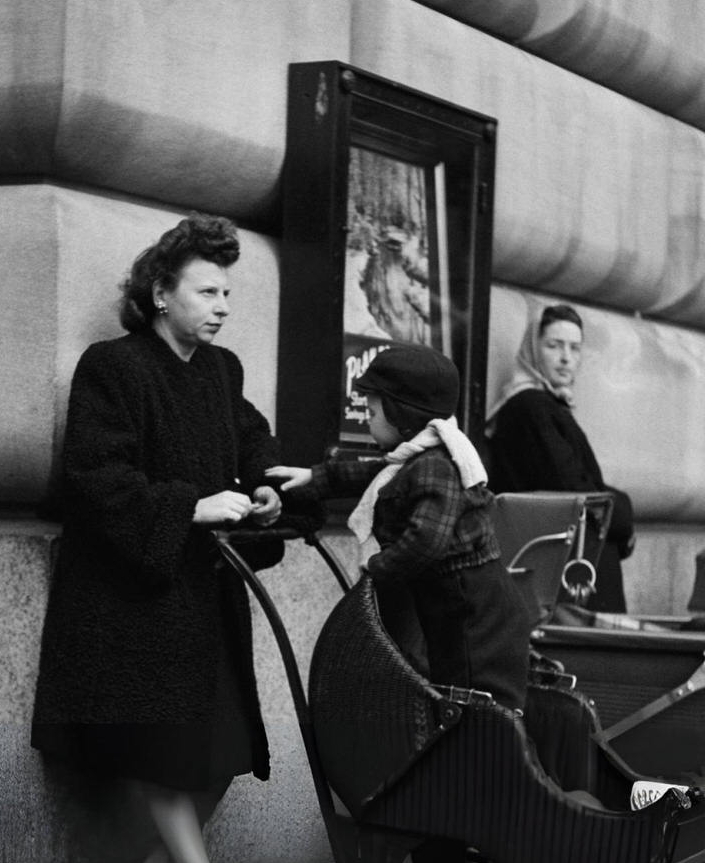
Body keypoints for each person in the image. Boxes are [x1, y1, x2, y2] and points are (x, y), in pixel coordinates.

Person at [31, 213, 282, 863]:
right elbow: (94, 479)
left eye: (227, 292)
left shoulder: (221, 370)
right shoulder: (113, 367)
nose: (222, 306)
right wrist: (190, 506)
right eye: (207, 290)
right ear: (160, 294)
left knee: (228, 751)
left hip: (202, 598)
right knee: (170, 754)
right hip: (131, 608)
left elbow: (252, 439)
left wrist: (269, 487)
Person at [268, 344, 531, 712]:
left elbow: (426, 541)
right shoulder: (419, 457)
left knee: (475, 700)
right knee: (454, 691)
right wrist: (316, 477)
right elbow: (375, 473)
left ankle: (492, 763)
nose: (367, 419)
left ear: (400, 413)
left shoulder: (436, 465)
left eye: (373, 411)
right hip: (458, 603)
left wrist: (374, 569)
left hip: (473, 613)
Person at [485, 303, 635, 613]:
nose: (566, 358)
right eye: (554, 346)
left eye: (575, 348)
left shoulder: (544, 404)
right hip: (560, 568)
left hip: (565, 563)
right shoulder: (531, 407)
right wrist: (623, 513)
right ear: (533, 348)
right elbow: (572, 489)